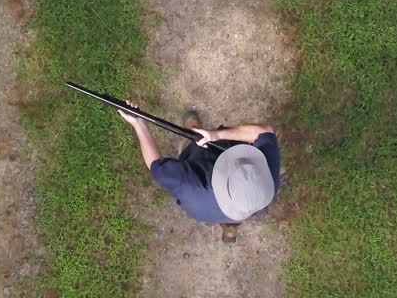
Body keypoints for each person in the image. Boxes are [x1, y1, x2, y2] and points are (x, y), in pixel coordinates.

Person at [118, 101, 280, 243]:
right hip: (244, 206)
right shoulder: (268, 181)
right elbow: (264, 132)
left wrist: (138, 124)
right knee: (242, 210)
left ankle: (193, 128)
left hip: (205, 194)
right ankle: (232, 225)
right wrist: (216, 135)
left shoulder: (192, 188)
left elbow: (156, 165)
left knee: (193, 139)